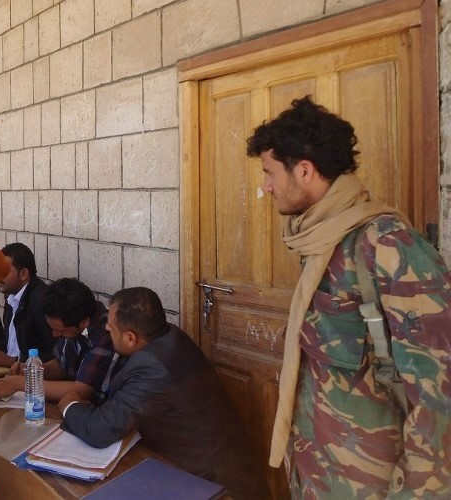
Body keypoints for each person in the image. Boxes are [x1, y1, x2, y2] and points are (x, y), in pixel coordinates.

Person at [246, 96, 451, 498]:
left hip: (371, 482)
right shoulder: (321, 240)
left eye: (270, 173)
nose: (266, 186)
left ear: (303, 171)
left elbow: (439, 395)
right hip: (319, 469)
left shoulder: (386, 244)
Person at [59, 287, 268, 499]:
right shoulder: (168, 335)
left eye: (110, 328)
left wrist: (69, 404)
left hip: (215, 485)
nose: (105, 329)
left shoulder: (153, 367)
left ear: (131, 337)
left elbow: (101, 430)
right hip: (206, 468)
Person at [0, 278, 123, 403]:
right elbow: (61, 365)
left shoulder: (108, 332)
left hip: (102, 408)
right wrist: (33, 370)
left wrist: (21, 383)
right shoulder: (70, 319)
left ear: (84, 322)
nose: (55, 334)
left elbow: (82, 390)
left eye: (61, 331)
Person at [0, 242, 54, 367]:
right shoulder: (11, 294)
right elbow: (11, 345)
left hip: (29, 378)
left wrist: (15, 361)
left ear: (23, 274)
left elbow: (54, 355)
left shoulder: (41, 301)